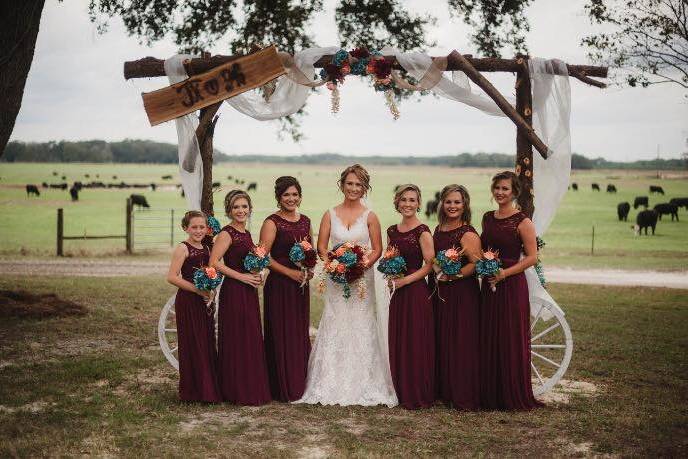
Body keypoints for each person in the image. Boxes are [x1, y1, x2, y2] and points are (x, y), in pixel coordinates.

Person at [297, 164, 397, 407]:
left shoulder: (370, 216)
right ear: (342, 185)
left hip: (362, 280)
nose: (353, 188)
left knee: (361, 322)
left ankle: (365, 382)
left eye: (358, 184)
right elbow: (321, 246)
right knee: (335, 320)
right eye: (349, 183)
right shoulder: (329, 214)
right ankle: (329, 381)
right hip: (336, 279)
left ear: (365, 188)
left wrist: (361, 266)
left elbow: (377, 248)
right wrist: (334, 265)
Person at [479, 171, 542, 410]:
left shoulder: (523, 221)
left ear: (514, 192)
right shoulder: (487, 218)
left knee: (509, 337)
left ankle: (511, 393)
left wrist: (504, 273)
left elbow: (532, 257)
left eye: (505, 189)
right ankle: (491, 393)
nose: (500, 193)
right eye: (497, 188)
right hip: (489, 282)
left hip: (511, 283)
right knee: (490, 334)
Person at [209, 190, 271, 405]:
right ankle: (236, 390)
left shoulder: (245, 233)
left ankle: (250, 385)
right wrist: (242, 277)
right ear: (229, 210)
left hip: (248, 291)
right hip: (234, 291)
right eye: (236, 207)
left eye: (244, 206)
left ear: (249, 209)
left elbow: (250, 261)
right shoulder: (227, 233)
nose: (241, 211)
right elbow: (214, 262)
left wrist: (258, 274)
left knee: (250, 337)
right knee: (238, 338)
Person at [259, 177, 313, 401]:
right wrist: (289, 272)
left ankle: (300, 383)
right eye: (286, 195)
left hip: (301, 286)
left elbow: (310, 250)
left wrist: (309, 269)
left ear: (300, 196)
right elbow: (262, 256)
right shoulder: (272, 222)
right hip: (280, 285)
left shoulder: (306, 221)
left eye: (295, 194)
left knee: (299, 332)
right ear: (279, 198)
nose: (291, 199)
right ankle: (281, 386)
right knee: (282, 333)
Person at [430, 184, 481, 410]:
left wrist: (455, 275)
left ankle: (462, 392)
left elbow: (476, 264)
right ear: (442, 203)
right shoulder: (438, 229)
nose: (452, 206)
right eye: (449, 202)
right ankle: (443, 390)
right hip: (439, 292)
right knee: (442, 339)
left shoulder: (467, 233)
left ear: (465, 205)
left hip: (461, 293)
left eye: (457, 202)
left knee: (460, 341)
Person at [386, 184, 435, 409]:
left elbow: (430, 265)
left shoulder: (422, 231)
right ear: (397, 202)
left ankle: (418, 392)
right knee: (400, 340)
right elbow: (389, 259)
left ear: (418, 203)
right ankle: (401, 390)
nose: (407, 204)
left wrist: (405, 280)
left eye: (412, 200)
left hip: (415, 291)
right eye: (404, 199)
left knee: (416, 341)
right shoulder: (392, 231)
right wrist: (390, 276)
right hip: (397, 294)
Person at [165, 210, 221, 403]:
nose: (198, 230)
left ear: (207, 228)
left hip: (205, 301)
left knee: (206, 342)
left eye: (202, 227)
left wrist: (210, 291)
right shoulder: (183, 248)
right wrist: (197, 291)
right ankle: (193, 391)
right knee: (193, 343)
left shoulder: (207, 248)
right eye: (194, 227)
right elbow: (172, 276)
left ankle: (208, 388)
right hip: (188, 300)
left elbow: (212, 272)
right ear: (185, 228)